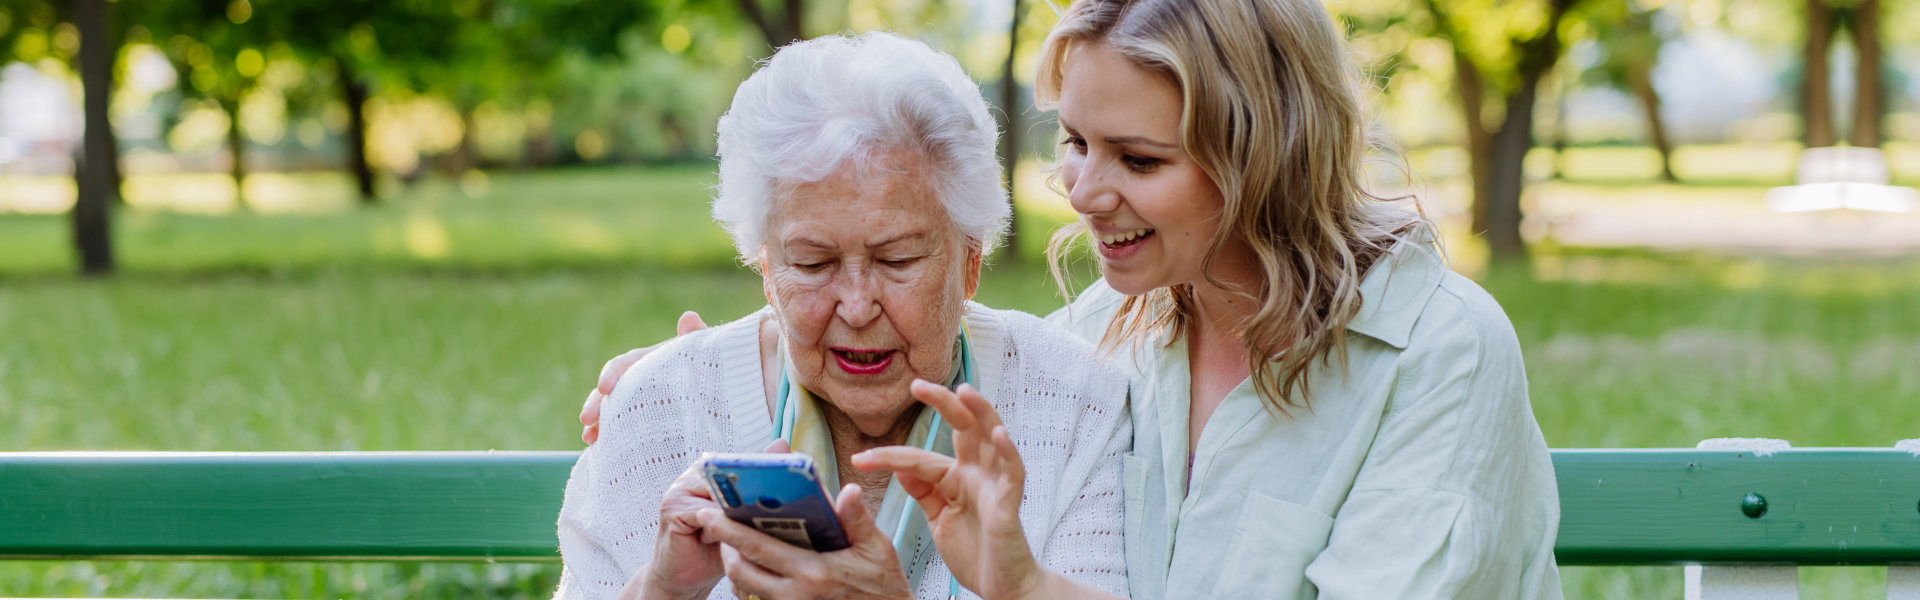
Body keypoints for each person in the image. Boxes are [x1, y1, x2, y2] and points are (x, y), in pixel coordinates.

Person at [584, 0, 1564, 598]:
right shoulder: (1109, 335)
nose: (1083, 194)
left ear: (1265, 153)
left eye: (1137, 158)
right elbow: (932, 336)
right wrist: (703, 369)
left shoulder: (1434, 351)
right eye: (1076, 144)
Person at [554, 32, 1132, 600]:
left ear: (970, 264)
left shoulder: (1075, 403)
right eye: (811, 263)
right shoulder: (659, 408)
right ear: (765, 271)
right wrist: (660, 592)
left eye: (897, 259)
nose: (856, 307)